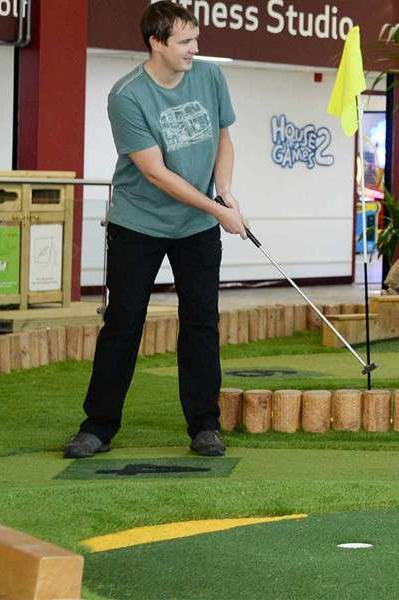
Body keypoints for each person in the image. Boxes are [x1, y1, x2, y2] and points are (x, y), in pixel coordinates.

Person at [64, 2, 247, 458]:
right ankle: (99, 426)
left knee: (202, 322)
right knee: (124, 323)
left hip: (198, 226)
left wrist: (223, 191)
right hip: (138, 224)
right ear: (156, 43)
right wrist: (217, 209)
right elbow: (155, 173)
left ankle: (205, 425)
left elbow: (225, 136)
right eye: (184, 42)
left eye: (195, 39)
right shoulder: (126, 95)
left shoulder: (209, 77)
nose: (194, 49)